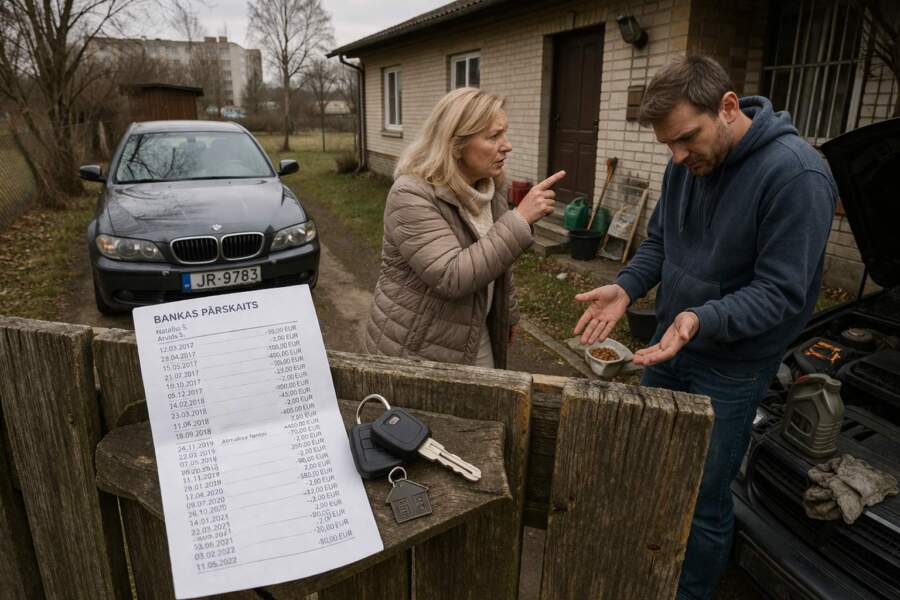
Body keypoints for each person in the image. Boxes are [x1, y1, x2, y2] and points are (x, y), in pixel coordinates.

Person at [573, 56, 837, 599]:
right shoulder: (685, 165)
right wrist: (626, 287)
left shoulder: (797, 175)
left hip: (733, 369)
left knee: (703, 496)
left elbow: (781, 292)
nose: (676, 156)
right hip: (669, 348)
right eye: (668, 144)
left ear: (728, 107)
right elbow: (660, 243)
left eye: (686, 138)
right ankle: (651, 573)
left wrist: (700, 317)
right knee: (654, 468)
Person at [363, 87, 565, 369]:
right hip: (417, 346)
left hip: (474, 330)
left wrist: (507, 313)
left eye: (505, 133)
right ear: (456, 144)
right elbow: (451, 276)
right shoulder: (411, 194)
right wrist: (519, 220)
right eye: (494, 136)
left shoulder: (490, 186)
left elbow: (498, 263)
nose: (507, 145)